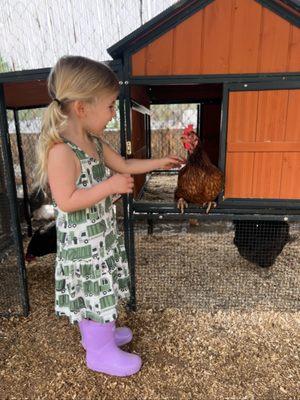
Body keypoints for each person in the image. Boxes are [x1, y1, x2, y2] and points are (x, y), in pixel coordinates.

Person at [35, 55, 183, 377]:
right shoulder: (62, 151)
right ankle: (99, 353)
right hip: (83, 248)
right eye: (111, 106)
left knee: (104, 288)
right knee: (92, 293)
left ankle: (101, 335)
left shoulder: (96, 143)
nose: (113, 113)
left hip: (101, 237)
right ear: (82, 108)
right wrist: (109, 186)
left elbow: (126, 165)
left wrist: (159, 162)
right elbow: (67, 200)